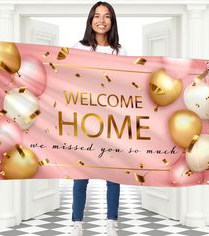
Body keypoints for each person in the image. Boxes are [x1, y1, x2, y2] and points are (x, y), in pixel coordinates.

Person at [71, 2, 127, 236]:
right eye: (97, 16)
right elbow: (66, 76)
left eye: (106, 16)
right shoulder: (79, 47)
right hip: (85, 120)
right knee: (80, 175)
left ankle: (111, 223)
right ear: (90, 20)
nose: (101, 20)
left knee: (114, 173)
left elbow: (126, 83)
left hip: (112, 121)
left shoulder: (119, 51)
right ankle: (76, 224)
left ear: (112, 21)